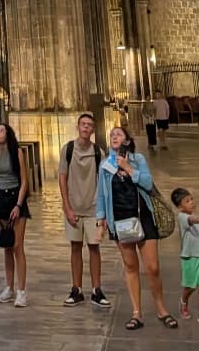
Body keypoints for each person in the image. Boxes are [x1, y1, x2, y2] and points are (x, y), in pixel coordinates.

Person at [95, 126, 177, 330]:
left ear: (127, 140)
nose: (114, 136)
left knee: (153, 267)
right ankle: (137, 313)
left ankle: (161, 308)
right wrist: (101, 220)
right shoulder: (105, 165)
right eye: (111, 134)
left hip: (143, 217)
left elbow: (148, 184)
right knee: (131, 267)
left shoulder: (137, 159)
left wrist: (129, 168)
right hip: (120, 220)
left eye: (118, 134)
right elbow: (102, 195)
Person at [58, 113, 109, 307]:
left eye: (89, 125)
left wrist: (102, 211)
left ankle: (97, 289)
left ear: (93, 130)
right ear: (78, 127)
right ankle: (76, 288)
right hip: (74, 207)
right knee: (75, 247)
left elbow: (103, 181)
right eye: (83, 124)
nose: (86, 128)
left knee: (94, 247)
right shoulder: (68, 149)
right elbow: (62, 178)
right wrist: (67, 206)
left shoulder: (98, 152)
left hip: (93, 208)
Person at [0, 121, 31, 307]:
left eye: (2, 130)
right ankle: (9, 288)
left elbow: (24, 180)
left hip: (15, 198)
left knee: (17, 246)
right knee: (6, 245)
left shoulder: (17, 152)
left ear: (8, 134)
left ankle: (21, 291)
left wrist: (19, 205)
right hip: (0, 200)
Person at [171, 188, 199, 325]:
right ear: (180, 206)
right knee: (190, 286)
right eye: (187, 201)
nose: (192, 203)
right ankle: (184, 300)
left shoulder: (195, 218)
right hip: (189, 257)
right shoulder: (182, 217)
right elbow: (191, 219)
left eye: (191, 199)